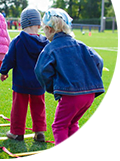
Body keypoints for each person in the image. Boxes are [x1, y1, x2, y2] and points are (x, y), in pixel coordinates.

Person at [34, 8, 107, 161]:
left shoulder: (50, 48)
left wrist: (53, 88)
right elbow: (98, 61)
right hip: (89, 95)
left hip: (71, 96)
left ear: (49, 29)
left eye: (44, 30)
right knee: (72, 126)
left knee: (59, 127)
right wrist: (91, 81)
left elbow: (41, 71)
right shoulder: (81, 45)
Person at [0, 8, 49, 141]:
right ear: (39, 25)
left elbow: (9, 58)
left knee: (18, 107)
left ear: (21, 24)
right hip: (39, 82)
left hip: (21, 82)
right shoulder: (45, 42)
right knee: (39, 106)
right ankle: (39, 131)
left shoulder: (17, 41)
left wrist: (4, 71)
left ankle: (17, 132)